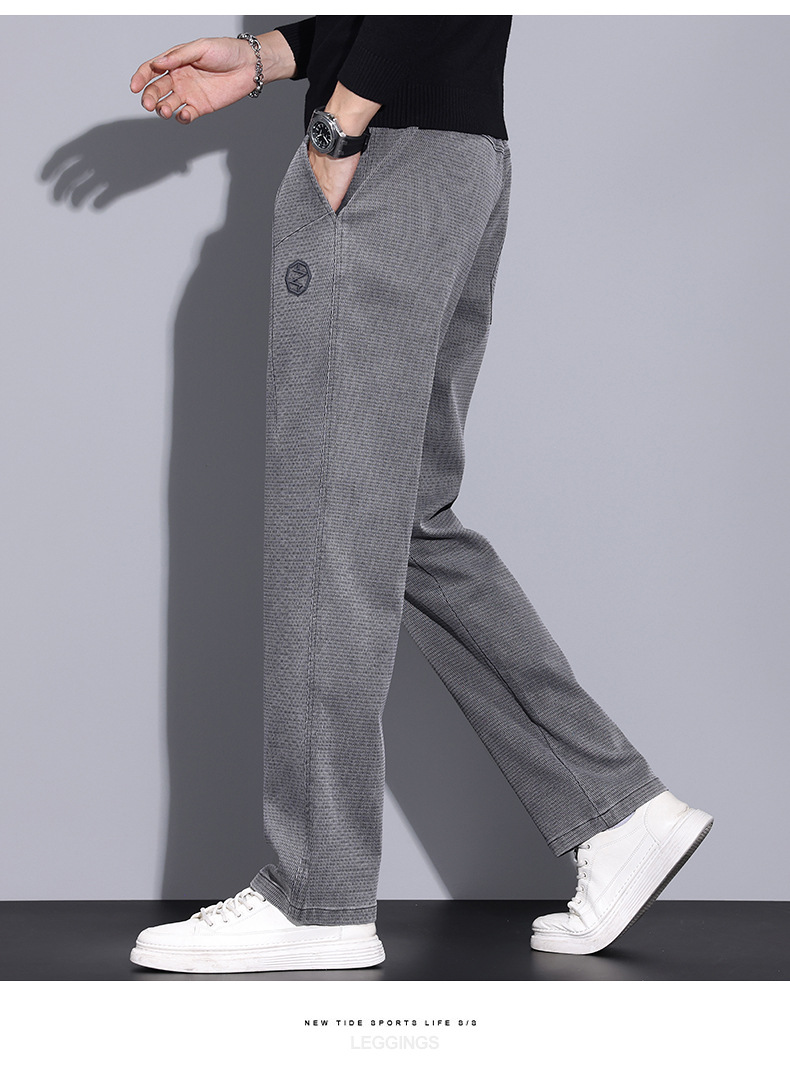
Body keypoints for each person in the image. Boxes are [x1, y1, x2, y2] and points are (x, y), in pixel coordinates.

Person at [127, 16, 712, 974]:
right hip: (460, 157)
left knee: (328, 520)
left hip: (390, 157)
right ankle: (615, 812)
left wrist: (339, 125)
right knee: (399, 519)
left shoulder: (360, 134)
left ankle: (316, 893)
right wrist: (273, 57)